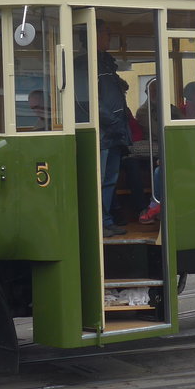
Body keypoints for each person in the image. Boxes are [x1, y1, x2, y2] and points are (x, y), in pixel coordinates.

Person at [74, 19, 131, 237]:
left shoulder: (105, 62)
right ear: (93, 35)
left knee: (109, 180)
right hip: (102, 132)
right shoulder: (83, 63)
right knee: (98, 180)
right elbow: (87, 101)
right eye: (106, 32)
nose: (110, 37)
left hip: (113, 132)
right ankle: (97, 223)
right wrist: (113, 121)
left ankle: (105, 220)